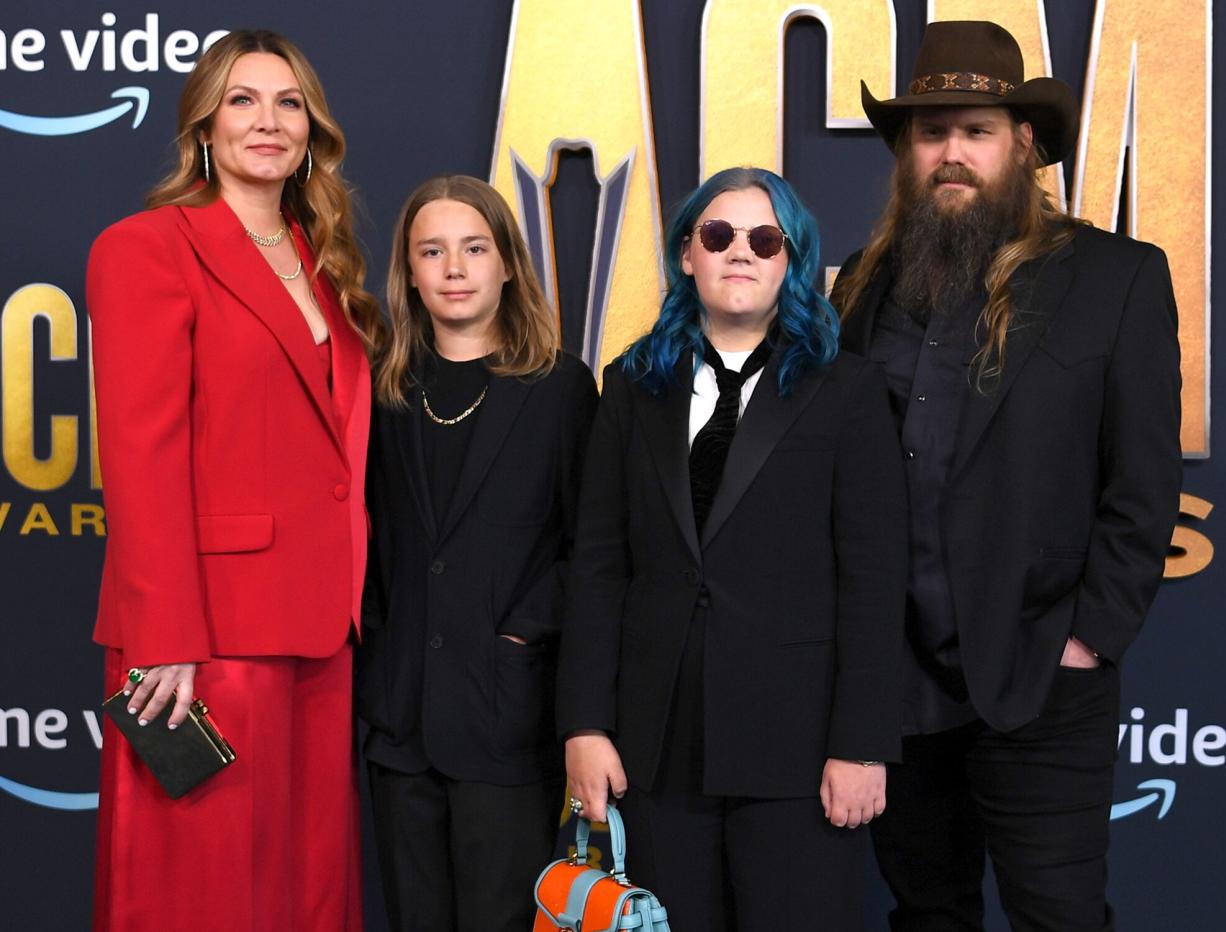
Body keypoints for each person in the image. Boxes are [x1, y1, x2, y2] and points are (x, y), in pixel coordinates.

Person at [830, 20, 1182, 932]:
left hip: (1040, 674)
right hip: (898, 684)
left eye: (975, 131)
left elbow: (1142, 485)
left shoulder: (1118, 278)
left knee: (1057, 915)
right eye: (932, 132)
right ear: (909, 151)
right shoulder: (860, 289)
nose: (952, 153)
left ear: (1023, 143)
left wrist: (1087, 641)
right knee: (926, 912)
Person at [558, 167, 907, 930]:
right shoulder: (630, 387)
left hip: (801, 752)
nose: (739, 253)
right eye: (718, 235)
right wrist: (585, 724)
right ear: (689, 254)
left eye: (764, 239)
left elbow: (876, 582)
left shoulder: (848, 392)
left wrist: (863, 745)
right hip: (657, 750)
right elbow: (597, 567)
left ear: (792, 262)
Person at [87, 29, 381, 931]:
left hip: (322, 628)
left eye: (288, 102)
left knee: (308, 886)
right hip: (207, 631)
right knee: (202, 892)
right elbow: (141, 455)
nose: (269, 120)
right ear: (204, 127)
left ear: (311, 130)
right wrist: (165, 633)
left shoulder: (325, 262)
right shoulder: (147, 247)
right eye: (243, 100)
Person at [356, 174, 598, 932]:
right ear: (410, 271)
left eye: (473, 248)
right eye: (432, 251)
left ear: (506, 265)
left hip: (506, 713)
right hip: (401, 720)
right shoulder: (381, 390)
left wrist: (524, 630)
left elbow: (590, 546)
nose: (454, 268)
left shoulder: (560, 388)